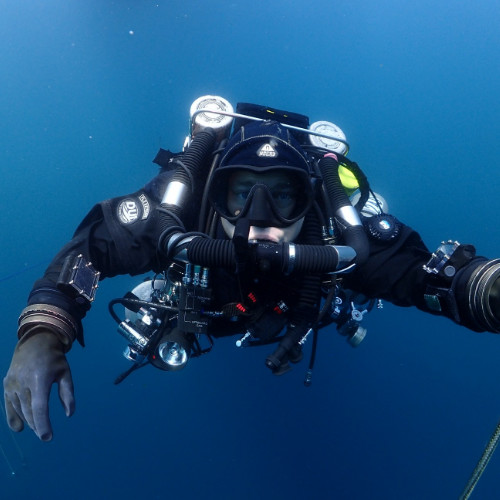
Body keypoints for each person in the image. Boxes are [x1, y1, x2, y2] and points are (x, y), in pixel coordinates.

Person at [4, 96, 500, 442]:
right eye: (242, 194)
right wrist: (44, 331)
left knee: (349, 297)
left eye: (283, 196)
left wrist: (486, 289)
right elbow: (95, 247)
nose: (261, 217)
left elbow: (426, 275)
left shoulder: (333, 231)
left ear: (309, 199)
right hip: (207, 298)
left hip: (299, 301)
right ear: (215, 194)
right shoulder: (181, 213)